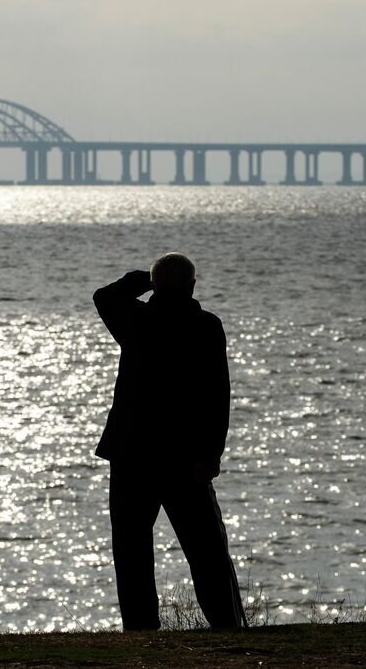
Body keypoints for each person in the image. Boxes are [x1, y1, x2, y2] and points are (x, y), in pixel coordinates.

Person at [93, 252, 246, 631]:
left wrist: (143, 279)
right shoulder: (206, 326)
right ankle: (226, 623)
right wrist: (212, 454)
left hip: (132, 454)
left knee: (131, 549)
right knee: (208, 549)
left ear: (155, 285)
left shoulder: (135, 319)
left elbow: (104, 296)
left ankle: (140, 628)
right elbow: (217, 396)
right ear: (193, 286)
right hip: (186, 457)